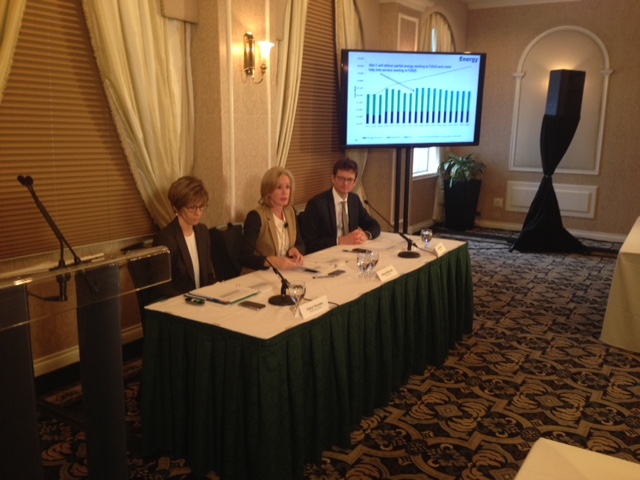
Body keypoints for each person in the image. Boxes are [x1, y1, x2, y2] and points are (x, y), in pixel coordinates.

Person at [300, 158, 381, 254]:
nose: (345, 183)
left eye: (350, 179)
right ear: (333, 178)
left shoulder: (354, 200)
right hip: (326, 254)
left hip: (351, 252)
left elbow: (374, 225)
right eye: (341, 178)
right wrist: (339, 241)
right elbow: (308, 242)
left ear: (355, 182)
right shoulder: (317, 204)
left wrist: (366, 235)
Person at [153, 176, 216, 298]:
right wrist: (190, 299)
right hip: (178, 302)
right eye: (192, 208)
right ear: (176, 207)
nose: (198, 213)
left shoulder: (202, 232)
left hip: (201, 300)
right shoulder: (165, 239)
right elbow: (162, 287)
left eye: (202, 207)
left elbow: (208, 275)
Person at [239, 166, 305, 272]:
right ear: (268, 192)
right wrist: (271, 261)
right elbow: (244, 257)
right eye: (279, 187)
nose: (285, 192)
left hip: (286, 272)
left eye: (287, 187)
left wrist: (296, 250)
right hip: (259, 274)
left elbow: (301, 243)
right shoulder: (255, 216)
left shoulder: (290, 211)